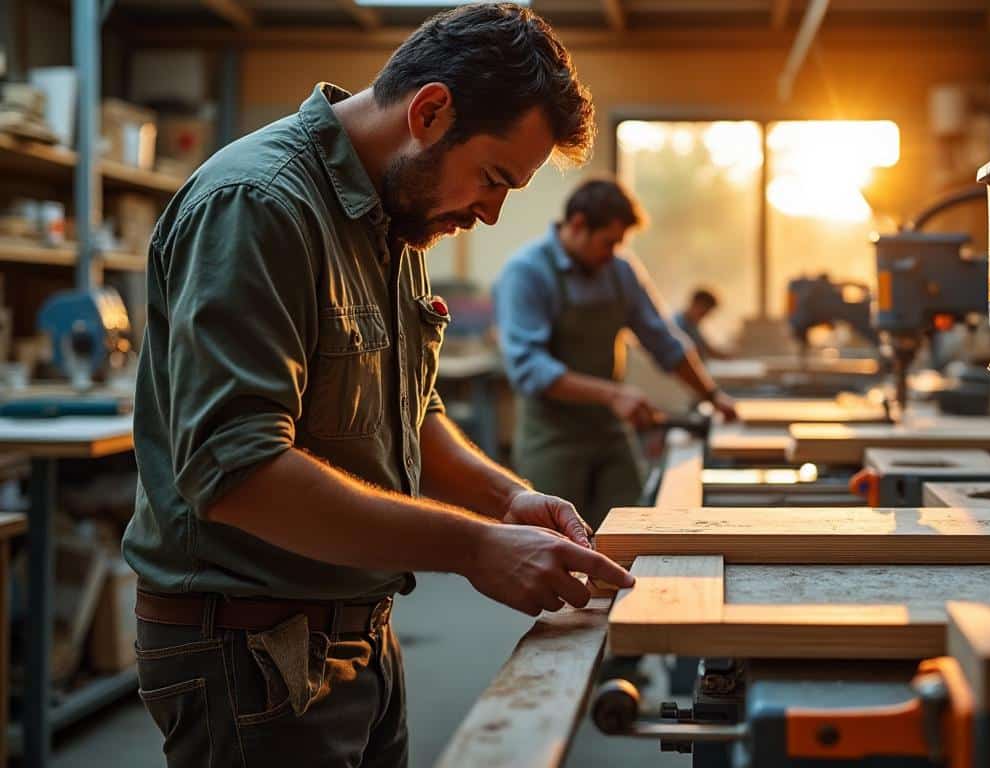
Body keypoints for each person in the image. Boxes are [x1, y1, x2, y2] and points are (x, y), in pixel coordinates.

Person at [122, 6, 633, 766]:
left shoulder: (393, 220)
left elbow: (405, 410)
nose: (490, 215)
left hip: (354, 631)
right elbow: (237, 472)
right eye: (492, 179)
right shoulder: (258, 205)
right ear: (429, 111)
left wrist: (505, 501)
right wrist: (476, 548)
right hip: (251, 648)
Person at [493, 179, 738, 527]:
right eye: (608, 242)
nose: (613, 252)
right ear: (578, 225)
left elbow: (664, 342)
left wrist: (712, 396)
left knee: (630, 530)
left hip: (608, 432)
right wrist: (612, 393)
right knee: (553, 543)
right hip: (552, 439)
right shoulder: (527, 273)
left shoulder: (619, 271)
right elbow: (529, 369)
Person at [674, 287, 731, 360]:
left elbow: (707, 348)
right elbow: (707, 351)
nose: (704, 317)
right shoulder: (678, 324)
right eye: (703, 313)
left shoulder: (692, 325)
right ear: (695, 303)